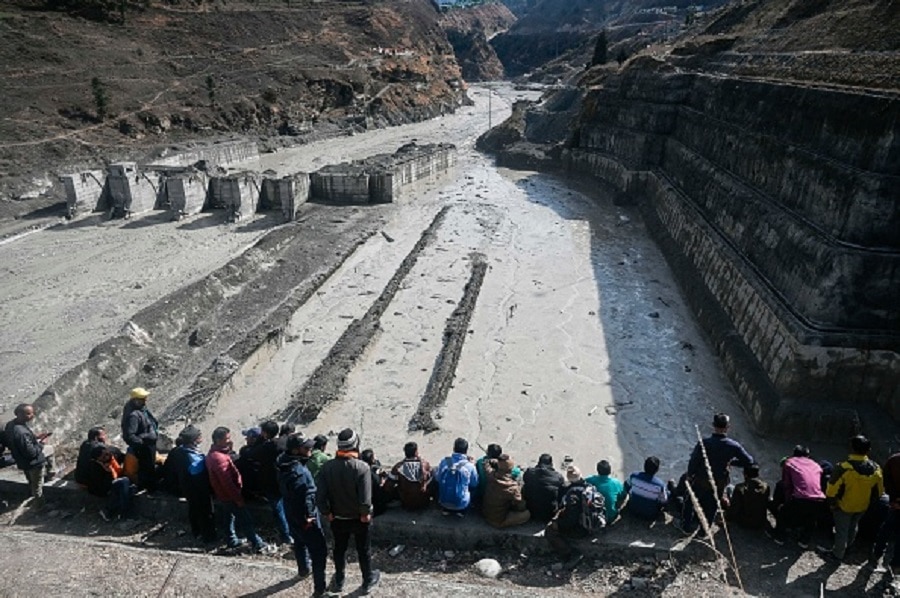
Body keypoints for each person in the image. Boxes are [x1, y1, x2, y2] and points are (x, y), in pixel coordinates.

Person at [316, 428, 381, 595]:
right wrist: (365, 514)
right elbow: (365, 499)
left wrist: (326, 512)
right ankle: (367, 580)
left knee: (339, 549)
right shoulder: (362, 467)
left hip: (337, 518)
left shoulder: (327, 467)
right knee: (363, 550)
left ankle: (339, 580)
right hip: (359, 519)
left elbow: (320, 496)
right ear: (355, 445)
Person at [205, 426, 274, 554]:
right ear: (218, 440)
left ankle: (231, 539)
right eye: (227, 439)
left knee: (228, 517)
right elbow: (227, 482)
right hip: (230, 495)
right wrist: (237, 498)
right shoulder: (219, 458)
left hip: (223, 494)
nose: (230, 441)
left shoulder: (214, 454)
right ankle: (257, 543)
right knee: (245, 519)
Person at [682, 413, 754, 533]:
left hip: (701, 479)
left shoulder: (704, 443)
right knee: (712, 506)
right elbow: (749, 461)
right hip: (719, 482)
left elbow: (693, 461)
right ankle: (704, 531)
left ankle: (686, 527)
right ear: (727, 427)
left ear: (713, 425)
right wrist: (732, 463)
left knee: (690, 501)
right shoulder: (733, 446)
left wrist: (690, 475)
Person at [277, 435, 328, 597]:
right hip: (305, 517)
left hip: (289, 512)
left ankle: (303, 569)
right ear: (295, 451)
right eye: (306, 448)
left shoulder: (282, 463)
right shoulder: (299, 473)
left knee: (299, 542)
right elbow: (305, 497)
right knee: (319, 551)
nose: (310, 449)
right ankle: (320, 589)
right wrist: (309, 517)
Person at [820, 435, 884, 561]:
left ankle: (837, 554)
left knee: (841, 530)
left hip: (844, 505)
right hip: (862, 506)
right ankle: (848, 548)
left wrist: (832, 503)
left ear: (852, 448)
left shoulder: (844, 468)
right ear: (869, 450)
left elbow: (831, 489)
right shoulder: (876, 469)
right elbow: (879, 491)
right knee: (853, 526)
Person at [545, 466, 605, 567]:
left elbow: (571, 519)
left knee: (549, 531)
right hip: (591, 523)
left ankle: (571, 553)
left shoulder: (572, 494)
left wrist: (558, 523)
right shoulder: (589, 487)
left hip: (581, 529)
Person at [771, 446, 825, 548]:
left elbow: (786, 485)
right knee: (811, 518)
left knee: (783, 512)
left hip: (800, 498)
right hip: (819, 498)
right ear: (808, 455)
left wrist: (787, 502)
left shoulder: (789, 462)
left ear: (794, 454)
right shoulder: (816, 465)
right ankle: (804, 541)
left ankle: (780, 537)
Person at [5, 403, 56, 507]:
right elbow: (31, 453)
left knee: (31, 481)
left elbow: (21, 443)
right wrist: (41, 444)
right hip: (34, 463)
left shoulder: (11, 425)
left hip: (21, 459)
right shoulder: (21, 433)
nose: (32, 415)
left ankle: (47, 476)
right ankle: (39, 505)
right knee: (37, 486)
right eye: (29, 414)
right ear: (19, 414)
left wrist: (35, 438)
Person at [174, 425, 215, 543]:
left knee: (194, 509)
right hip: (197, 489)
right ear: (194, 440)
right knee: (204, 511)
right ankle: (207, 536)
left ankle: (197, 532)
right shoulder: (189, 455)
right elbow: (197, 472)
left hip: (189, 488)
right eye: (199, 436)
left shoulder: (183, 451)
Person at [258, 420, 292, 545]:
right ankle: (291, 533)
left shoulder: (265, 447)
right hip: (284, 479)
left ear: (265, 433)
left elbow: (251, 454)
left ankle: (286, 536)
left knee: (278, 510)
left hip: (270, 482)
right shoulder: (283, 443)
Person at [121, 387, 159, 492]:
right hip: (144, 447)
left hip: (148, 444)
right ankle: (148, 488)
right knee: (146, 468)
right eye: (142, 398)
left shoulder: (141, 409)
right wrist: (142, 443)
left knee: (150, 466)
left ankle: (149, 486)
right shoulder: (133, 416)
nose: (145, 400)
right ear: (135, 400)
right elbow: (130, 436)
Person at [482, 454, 530, 528]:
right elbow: (521, 506)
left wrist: (497, 462)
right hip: (498, 520)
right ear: (511, 470)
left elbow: (485, 462)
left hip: (486, 513)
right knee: (526, 514)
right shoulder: (512, 487)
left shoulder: (490, 475)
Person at [87, 445, 134, 521]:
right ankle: (123, 512)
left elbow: (123, 459)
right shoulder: (95, 468)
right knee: (125, 482)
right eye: (104, 457)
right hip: (103, 488)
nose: (107, 456)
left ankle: (109, 510)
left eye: (107, 454)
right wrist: (108, 472)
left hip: (116, 480)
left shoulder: (112, 455)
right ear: (98, 459)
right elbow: (103, 487)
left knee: (131, 489)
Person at [872, 451, 900, 573]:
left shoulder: (894, 459)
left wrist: (893, 499)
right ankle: (896, 564)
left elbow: (885, 480)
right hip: (896, 502)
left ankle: (877, 554)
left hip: (894, 503)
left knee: (886, 528)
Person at [436, 437, 479, 516]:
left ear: (454, 448)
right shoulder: (470, 466)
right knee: (473, 488)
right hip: (461, 504)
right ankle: (461, 511)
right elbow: (474, 483)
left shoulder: (444, 461)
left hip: (443, 502)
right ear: (466, 451)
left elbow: (438, 478)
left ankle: (446, 510)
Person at [726, 463, 770, 530]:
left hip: (746, 522)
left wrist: (727, 516)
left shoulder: (740, 488)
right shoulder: (766, 486)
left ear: (745, 474)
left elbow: (734, 508)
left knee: (730, 488)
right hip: (761, 522)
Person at [391, 441, 433, 510]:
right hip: (424, 503)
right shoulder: (425, 464)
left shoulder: (398, 467)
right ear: (416, 452)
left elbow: (388, 487)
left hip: (406, 503)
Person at [623, 456, 669, 521]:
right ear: (657, 470)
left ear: (644, 466)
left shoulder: (634, 476)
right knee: (667, 493)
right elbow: (663, 502)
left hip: (633, 510)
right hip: (650, 515)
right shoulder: (660, 485)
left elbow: (626, 486)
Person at [523, 454, 565, 522]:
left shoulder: (529, 472)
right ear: (551, 464)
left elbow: (525, 480)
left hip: (530, 511)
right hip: (549, 513)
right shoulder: (558, 477)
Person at [361, 448, 394, 516]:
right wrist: (382, 481)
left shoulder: (361, 471)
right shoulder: (373, 476)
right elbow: (378, 487)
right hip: (376, 505)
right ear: (372, 459)